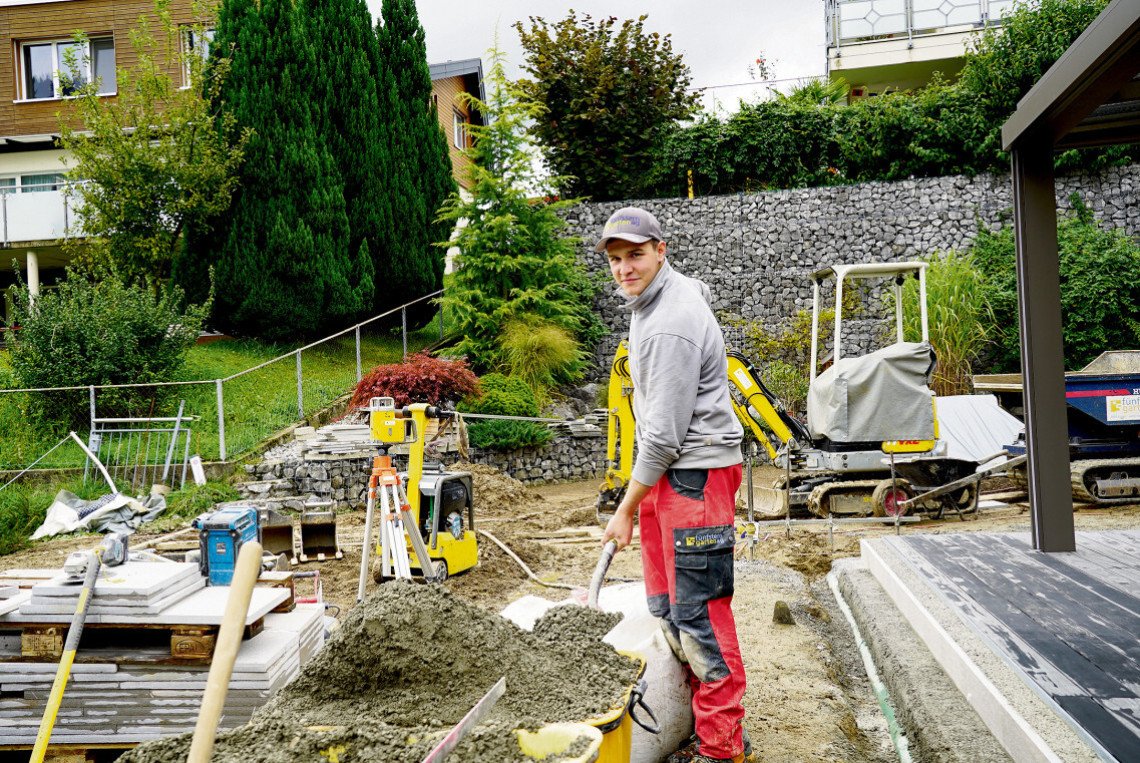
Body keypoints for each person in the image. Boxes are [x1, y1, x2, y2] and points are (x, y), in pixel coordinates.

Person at [597, 207, 752, 763]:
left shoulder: (669, 322)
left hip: (694, 477)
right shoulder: (655, 301)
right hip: (673, 475)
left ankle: (723, 748)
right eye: (616, 259)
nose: (624, 268)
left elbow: (662, 438)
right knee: (666, 606)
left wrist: (624, 508)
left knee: (700, 614)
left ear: (661, 250)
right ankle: (696, 720)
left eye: (635, 255)